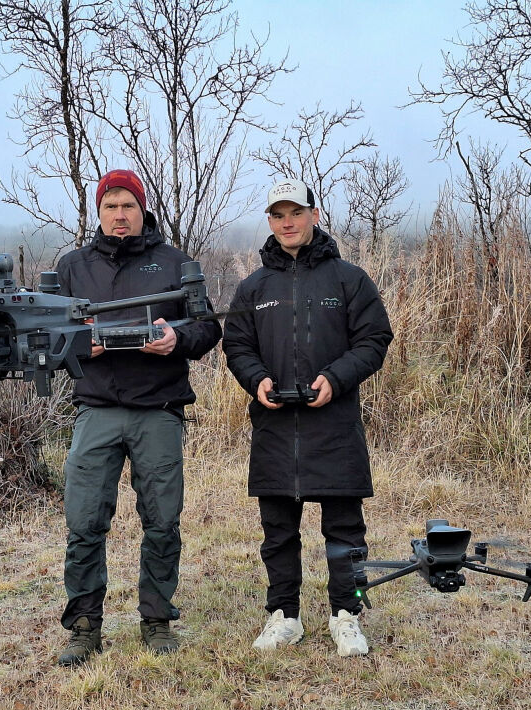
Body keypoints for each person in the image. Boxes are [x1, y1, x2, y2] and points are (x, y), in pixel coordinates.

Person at [54, 169, 222, 666]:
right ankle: (84, 626)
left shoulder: (173, 263)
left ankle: (156, 619)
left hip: (158, 410)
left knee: (162, 521)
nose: (120, 216)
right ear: (98, 212)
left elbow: (207, 328)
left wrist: (177, 341)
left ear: (142, 209)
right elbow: (46, 338)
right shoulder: (71, 267)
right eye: (111, 207)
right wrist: (82, 345)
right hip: (97, 409)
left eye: (128, 206)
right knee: (84, 521)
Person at [222, 178, 393, 657]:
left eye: (295, 212)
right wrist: (256, 380)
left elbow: (374, 339)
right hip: (275, 428)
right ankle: (284, 616)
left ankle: (346, 615)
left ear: (314, 215)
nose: (287, 222)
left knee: (344, 530)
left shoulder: (348, 278)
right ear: (270, 222)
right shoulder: (253, 287)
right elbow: (236, 345)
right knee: (278, 532)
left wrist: (334, 380)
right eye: (277, 214)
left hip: (334, 426)